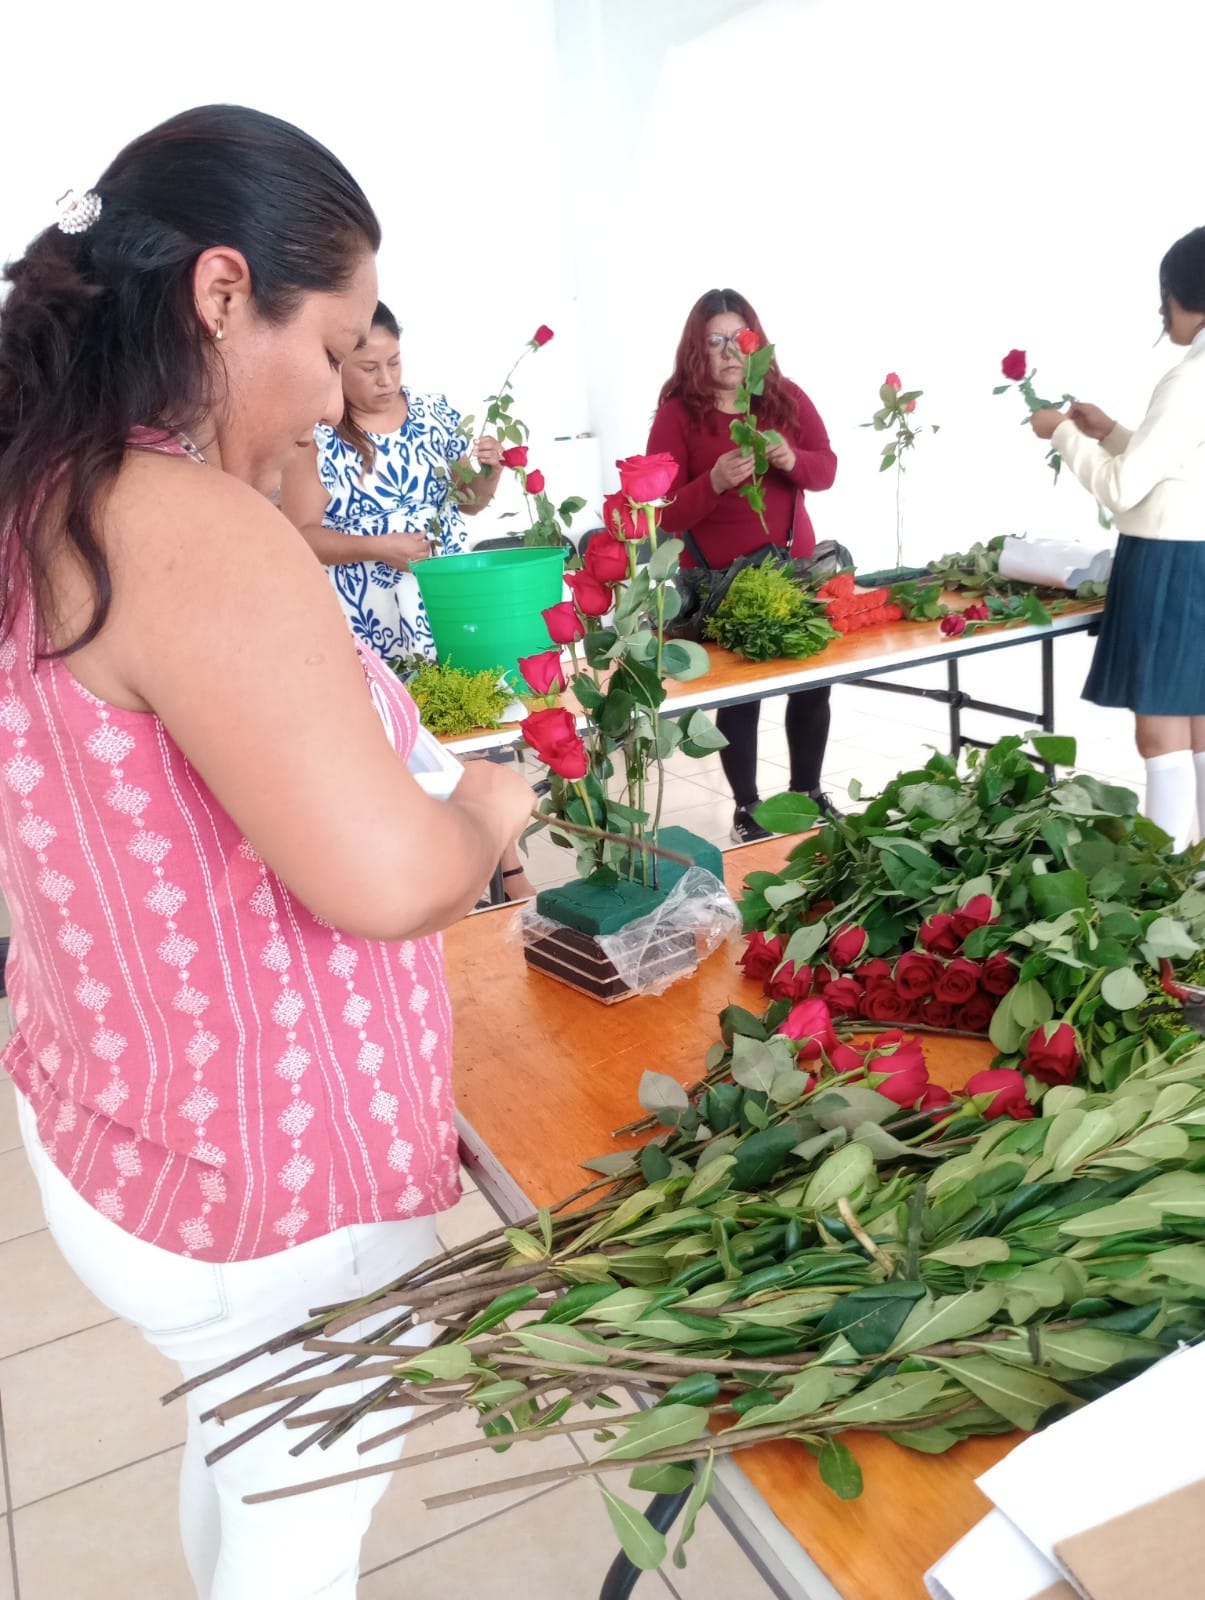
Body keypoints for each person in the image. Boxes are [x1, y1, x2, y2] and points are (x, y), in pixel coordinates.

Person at [0, 106, 534, 1600]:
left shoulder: (48, 485)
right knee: (298, 1535)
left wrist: (275, 464)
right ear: (224, 294)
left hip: (125, 1124)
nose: (337, 390)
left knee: (248, 1459)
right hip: (264, 1179)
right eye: (336, 339)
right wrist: (485, 813)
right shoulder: (180, 523)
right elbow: (385, 881)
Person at [1030, 225, 1205, 853]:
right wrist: (1107, 430)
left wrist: (1061, 433)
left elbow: (1125, 489)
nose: (1163, 311)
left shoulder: (1190, 378)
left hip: (1170, 563)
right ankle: (1198, 878)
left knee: (1162, 736)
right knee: (1202, 726)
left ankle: (1166, 875)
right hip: (1200, 556)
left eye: (1167, 296)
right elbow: (1176, 467)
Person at [647, 288, 839, 842]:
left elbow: (825, 470)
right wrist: (712, 483)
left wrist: (791, 459)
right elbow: (662, 513)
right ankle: (748, 807)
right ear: (697, 350)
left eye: (739, 338)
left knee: (813, 684)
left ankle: (807, 793)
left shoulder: (786, 399)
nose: (730, 351)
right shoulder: (679, 414)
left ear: (756, 343)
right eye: (715, 341)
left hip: (793, 570)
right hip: (718, 586)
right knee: (742, 695)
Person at [281, 301, 504, 661]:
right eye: (369, 368)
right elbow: (301, 536)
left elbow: (469, 504)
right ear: (336, 366)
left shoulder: (434, 413)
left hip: (445, 608)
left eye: (395, 362)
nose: (386, 380)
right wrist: (378, 548)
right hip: (362, 621)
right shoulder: (317, 437)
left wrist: (490, 473)